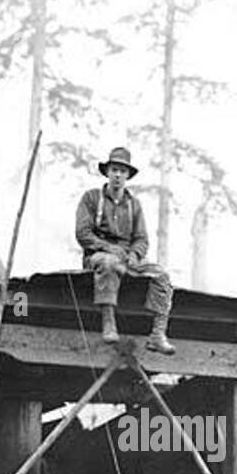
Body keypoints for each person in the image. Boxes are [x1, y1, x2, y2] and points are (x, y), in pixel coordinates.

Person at [75, 147, 176, 354]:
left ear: (128, 175)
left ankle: (157, 334)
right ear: (107, 172)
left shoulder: (134, 205)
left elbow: (141, 238)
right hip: (98, 256)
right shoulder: (91, 198)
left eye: (122, 171)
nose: (118, 175)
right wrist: (108, 248)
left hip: (127, 259)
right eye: (114, 170)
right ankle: (109, 323)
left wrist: (134, 254)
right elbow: (83, 233)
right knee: (109, 263)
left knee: (161, 275)